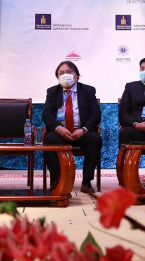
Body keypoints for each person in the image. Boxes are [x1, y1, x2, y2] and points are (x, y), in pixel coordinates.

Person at [42, 61, 102, 194]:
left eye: (69, 72)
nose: (65, 75)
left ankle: (86, 181)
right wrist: (59, 128)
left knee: (95, 139)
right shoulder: (52, 92)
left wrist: (83, 130)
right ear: (57, 77)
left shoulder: (88, 90)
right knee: (50, 139)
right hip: (60, 132)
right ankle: (57, 181)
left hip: (82, 132)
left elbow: (96, 115)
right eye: (61, 73)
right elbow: (46, 115)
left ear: (77, 75)